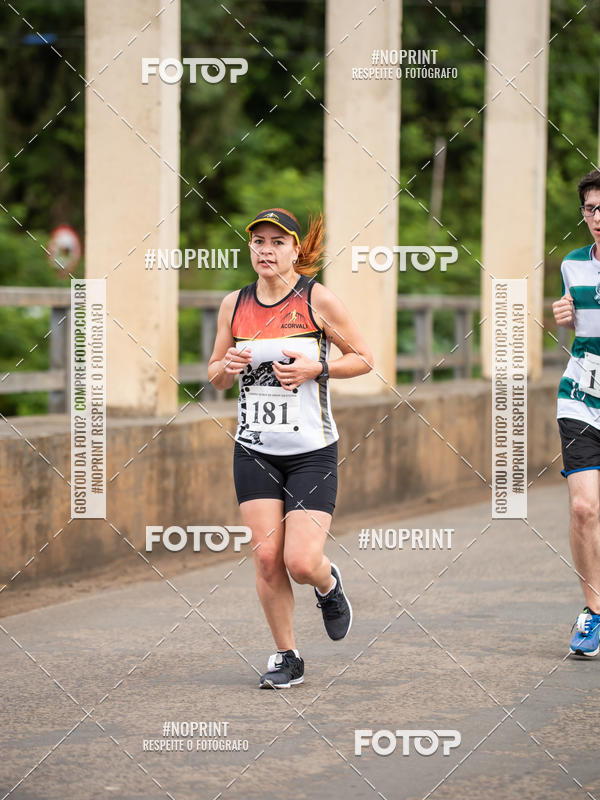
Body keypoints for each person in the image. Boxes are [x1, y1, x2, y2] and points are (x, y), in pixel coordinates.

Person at [208, 208, 373, 687]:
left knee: (300, 562)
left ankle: (328, 582)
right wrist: (229, 365)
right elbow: (215, 376)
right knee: (265, 557)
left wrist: (316, 368)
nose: (265, 250)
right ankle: (287, 655)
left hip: (311, 451)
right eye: (257, 242)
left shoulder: (316, 300)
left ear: (296, 249)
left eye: (276, 242)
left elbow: (364, 358)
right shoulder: (234, 305)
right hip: (254, 449)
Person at [553, 169, 600, 657]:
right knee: (585, 507)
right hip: (581, 393)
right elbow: (578, 327)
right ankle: (594, 609)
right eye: (591, 209)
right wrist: (564, 318)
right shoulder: (572, 264)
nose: (599, 218)